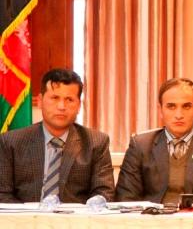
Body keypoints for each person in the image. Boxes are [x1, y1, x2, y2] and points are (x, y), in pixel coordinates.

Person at [0, 69, 115, 203]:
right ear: (40, 101)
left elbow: (104, 192)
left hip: (76, 216)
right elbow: (2, 194)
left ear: (79, 105)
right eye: (55, 98)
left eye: (69, 100)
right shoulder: (11, 142)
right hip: (27, 215)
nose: (61, 106)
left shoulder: (96, 142)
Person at [115, 78, 193, 204]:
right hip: (149, 216)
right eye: (171, 107)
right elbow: (125, 199)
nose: (179, 115)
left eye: (186, 106)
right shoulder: (140, 147)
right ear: (160, 110)